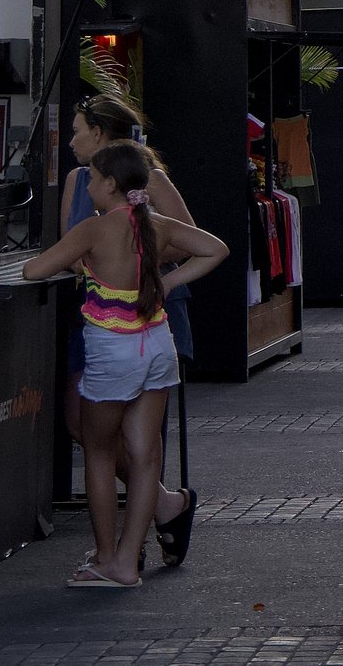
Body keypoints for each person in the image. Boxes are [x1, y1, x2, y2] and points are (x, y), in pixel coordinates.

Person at [24, 140, 228, 589]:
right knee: (144, 455)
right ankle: (127, 564)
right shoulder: (159, 226)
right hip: (157, 343)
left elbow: (34, 271)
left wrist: (78, 263)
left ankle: (106, 556)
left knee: (98, 450)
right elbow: (216, 249)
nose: (89, 185)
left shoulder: (94, 230)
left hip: (111, 350)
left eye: (94, 178)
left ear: (111, 185)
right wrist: (170, 281)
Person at [58, 93, 200, 568]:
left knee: (139, 436)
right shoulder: (79, 180)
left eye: (77, 129)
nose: (71, 139)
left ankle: (127, 548)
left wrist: (134, 272)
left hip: (145, 314)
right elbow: (69, 247)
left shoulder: (143, 177)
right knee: (82, 421)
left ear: (99, 133)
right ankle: (162, 504)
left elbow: (179, 235)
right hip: (94, 315)